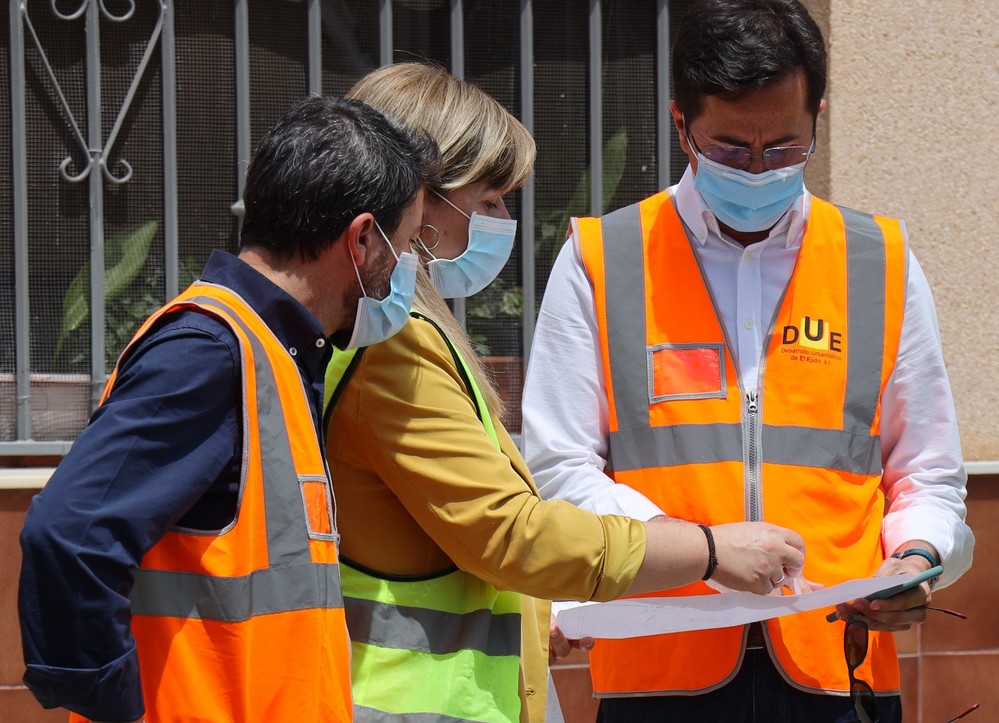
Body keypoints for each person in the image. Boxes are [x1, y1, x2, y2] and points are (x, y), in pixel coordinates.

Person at [520, 1, 975, 721]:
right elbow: (559, 467)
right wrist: (701, 548)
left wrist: (917, 559)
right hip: (659, 664)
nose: (759, 168)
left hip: (838, 664)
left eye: (786, 147)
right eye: (730, 148)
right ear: (680, 126)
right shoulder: (600, 260)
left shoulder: (880, 262)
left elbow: (923, 468)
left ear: (816, 117)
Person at [324, 61, 806, 723]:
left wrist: (536, 608)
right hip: (413, 701)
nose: (501, 219)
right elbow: (510, 534)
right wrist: (710, 550)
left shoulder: (406, 326)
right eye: (488, 199)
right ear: (420, 196)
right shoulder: (393, 342)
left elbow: (455, 538)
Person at [17, 95, 440, 723]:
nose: (406, 271)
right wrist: (117, 710)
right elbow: (69, 535)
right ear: (358, 239)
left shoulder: (274, 356)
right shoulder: (211, 351)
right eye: (403, 247)